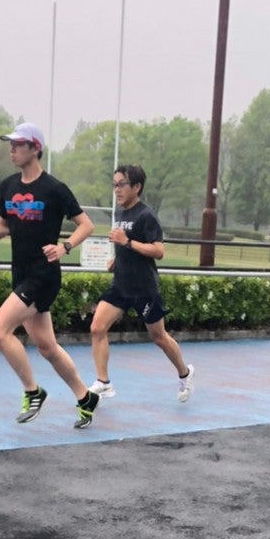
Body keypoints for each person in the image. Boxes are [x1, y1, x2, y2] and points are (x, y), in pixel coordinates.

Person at [0, 122, 101, 429]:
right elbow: (4, 223)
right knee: (47, 347)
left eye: (18, 145)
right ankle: (85, 398)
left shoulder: (54, 189)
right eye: (10, 145)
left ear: (35, 148)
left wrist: (65, 246)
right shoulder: (8, 185)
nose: (12, 150)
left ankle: (33, 391)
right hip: (21, 273)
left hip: (43, 275)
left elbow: (86, 225)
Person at [88, 164, 195, 403]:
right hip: (120, 285)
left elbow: (158, 251)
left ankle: (184, 373)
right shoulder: (119, 214)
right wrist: (117, 260)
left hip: (144, 288)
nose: (116, 190)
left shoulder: (146, 215)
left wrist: (126, 243)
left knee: (159, 337)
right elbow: (124, 245)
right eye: (114, 185)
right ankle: (103, 382)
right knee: (97, 328)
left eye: (121, 185)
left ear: (136, 187)